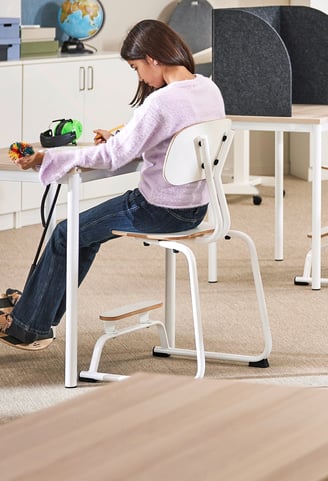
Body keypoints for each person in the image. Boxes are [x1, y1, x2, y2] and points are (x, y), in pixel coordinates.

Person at [0, 19, 226, 350]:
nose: (139, 77)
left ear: (152, 58)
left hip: (159, 208)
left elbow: (113, 157)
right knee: (83, 235)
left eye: (136, 68)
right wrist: (121, 136)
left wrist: (45, 158)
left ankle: (28, 328)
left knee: (66, 233)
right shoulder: (208, 88)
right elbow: (171, 138)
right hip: (196, 206)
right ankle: (35, 312)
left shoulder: (161, 102)